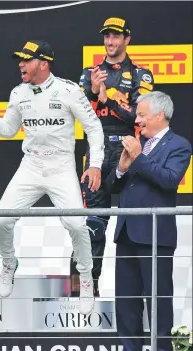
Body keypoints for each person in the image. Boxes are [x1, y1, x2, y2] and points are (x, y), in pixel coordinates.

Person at [0, 40, 105, 315]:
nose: (21, 64)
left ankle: (86, 277)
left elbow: (94, 128)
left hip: (61, 166)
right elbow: (9, 130)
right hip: (32, 164)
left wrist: (95, 165)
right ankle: (9, 263)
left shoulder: (69, 90)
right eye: (20, 60)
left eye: (27, 59)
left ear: (44, 63)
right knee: (1, 219)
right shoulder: (18, 93)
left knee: (75, 225)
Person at [106, 91, 192, 351]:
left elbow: (169, 180)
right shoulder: (136, 144)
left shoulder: (179, 145)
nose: (138, 120)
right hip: (126, 234)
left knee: (158, 301)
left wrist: (139, 157)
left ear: (160, 115)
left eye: (142, 115)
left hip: (156, 235)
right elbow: (112, 187)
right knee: (126, 302)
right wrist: (121, 168)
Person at [77, 17, 155, 296]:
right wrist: (98, 95)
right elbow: (84, 115)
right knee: (93, 224)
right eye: (106, 36)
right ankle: (85, 289)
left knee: (133, 223)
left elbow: (137, 116)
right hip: (97, 152)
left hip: (128, 150)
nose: (110, 41)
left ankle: (138, 293)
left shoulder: (141, 75)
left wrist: (105, 97)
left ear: (127, 39)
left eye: (116, 36)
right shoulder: (89, 74)